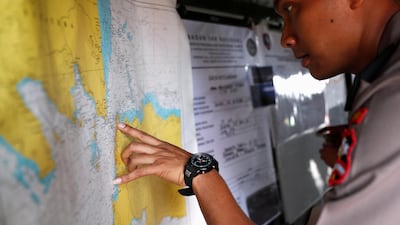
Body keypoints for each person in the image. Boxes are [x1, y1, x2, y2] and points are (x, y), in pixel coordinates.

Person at [113, 0, 400, 224]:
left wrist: (200, 174)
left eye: (291, 8)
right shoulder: (384, 79)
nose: (285, 37)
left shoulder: (392, 95)